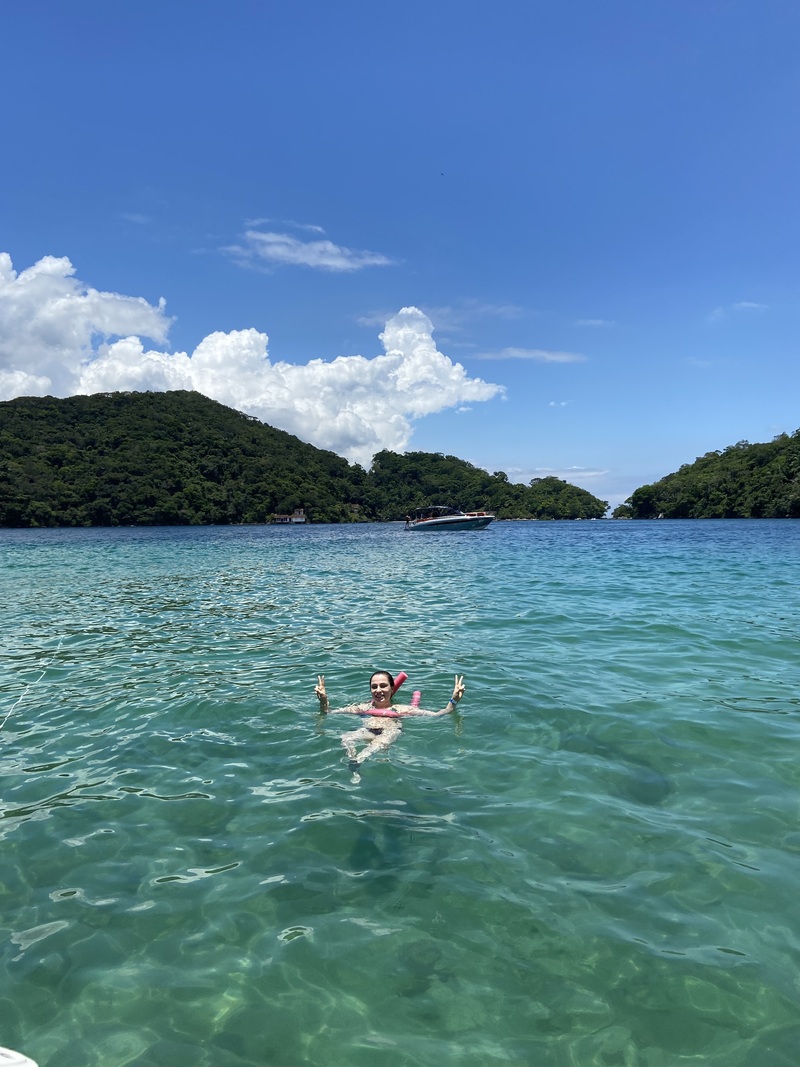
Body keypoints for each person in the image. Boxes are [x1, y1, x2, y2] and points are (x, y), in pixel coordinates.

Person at [314, 670, 465, 772]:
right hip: (368, 730)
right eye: (374, 687)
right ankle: (352, 759)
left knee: (380, 742)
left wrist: (453, 701)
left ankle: (358, 761)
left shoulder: (402, 709)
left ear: (392, 689)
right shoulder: (362, 707)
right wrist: (323, 701)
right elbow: (329, 712)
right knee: (346, 738)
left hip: (390, 731)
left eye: (383, 686)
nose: (378, 690)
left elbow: (437, 715)